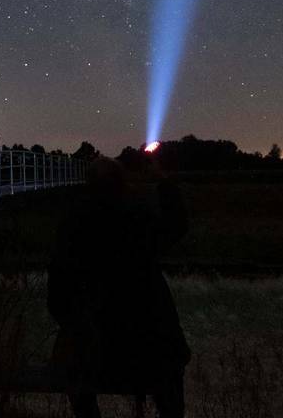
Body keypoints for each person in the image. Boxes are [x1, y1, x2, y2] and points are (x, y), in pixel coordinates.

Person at [47, 154, 190, 417]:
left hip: (97, 355)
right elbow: (176, 226)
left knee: (75, 373)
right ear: (122, 184)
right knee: (170, 374)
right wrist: (163, 181)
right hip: (151, 348)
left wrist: (79, 329)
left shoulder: (73, 225)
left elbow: (56, 297)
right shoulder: (137, 217)